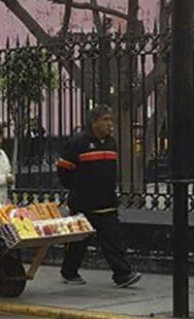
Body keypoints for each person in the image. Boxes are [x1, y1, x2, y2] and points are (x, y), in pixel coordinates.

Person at [56, 105, 141, 288]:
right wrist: (77, 187)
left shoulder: (111, 143)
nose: (110, 124)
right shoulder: (79, 142)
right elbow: (64, 169)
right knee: (78, 241)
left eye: (111, 119)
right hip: (83, 203)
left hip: (107, 202)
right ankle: (69, 272)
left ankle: (123, 274)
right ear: (94, 122)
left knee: (113, 240)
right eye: (106, 119)